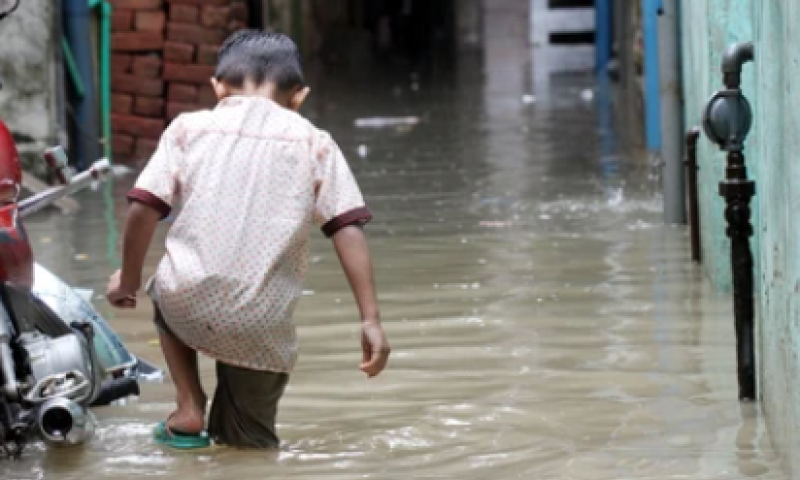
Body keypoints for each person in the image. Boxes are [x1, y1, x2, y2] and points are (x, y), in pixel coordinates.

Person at [106, 30, 390, 450]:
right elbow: (346, 227)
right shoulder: (315, 143)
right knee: (249, 445)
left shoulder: (188, 129)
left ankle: (187, 404)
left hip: (188, 298)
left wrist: (127, 281)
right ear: (299, 97)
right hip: (261, 321)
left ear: (218, 87)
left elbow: (143, 207)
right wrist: (370, 320)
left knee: (162, 287)